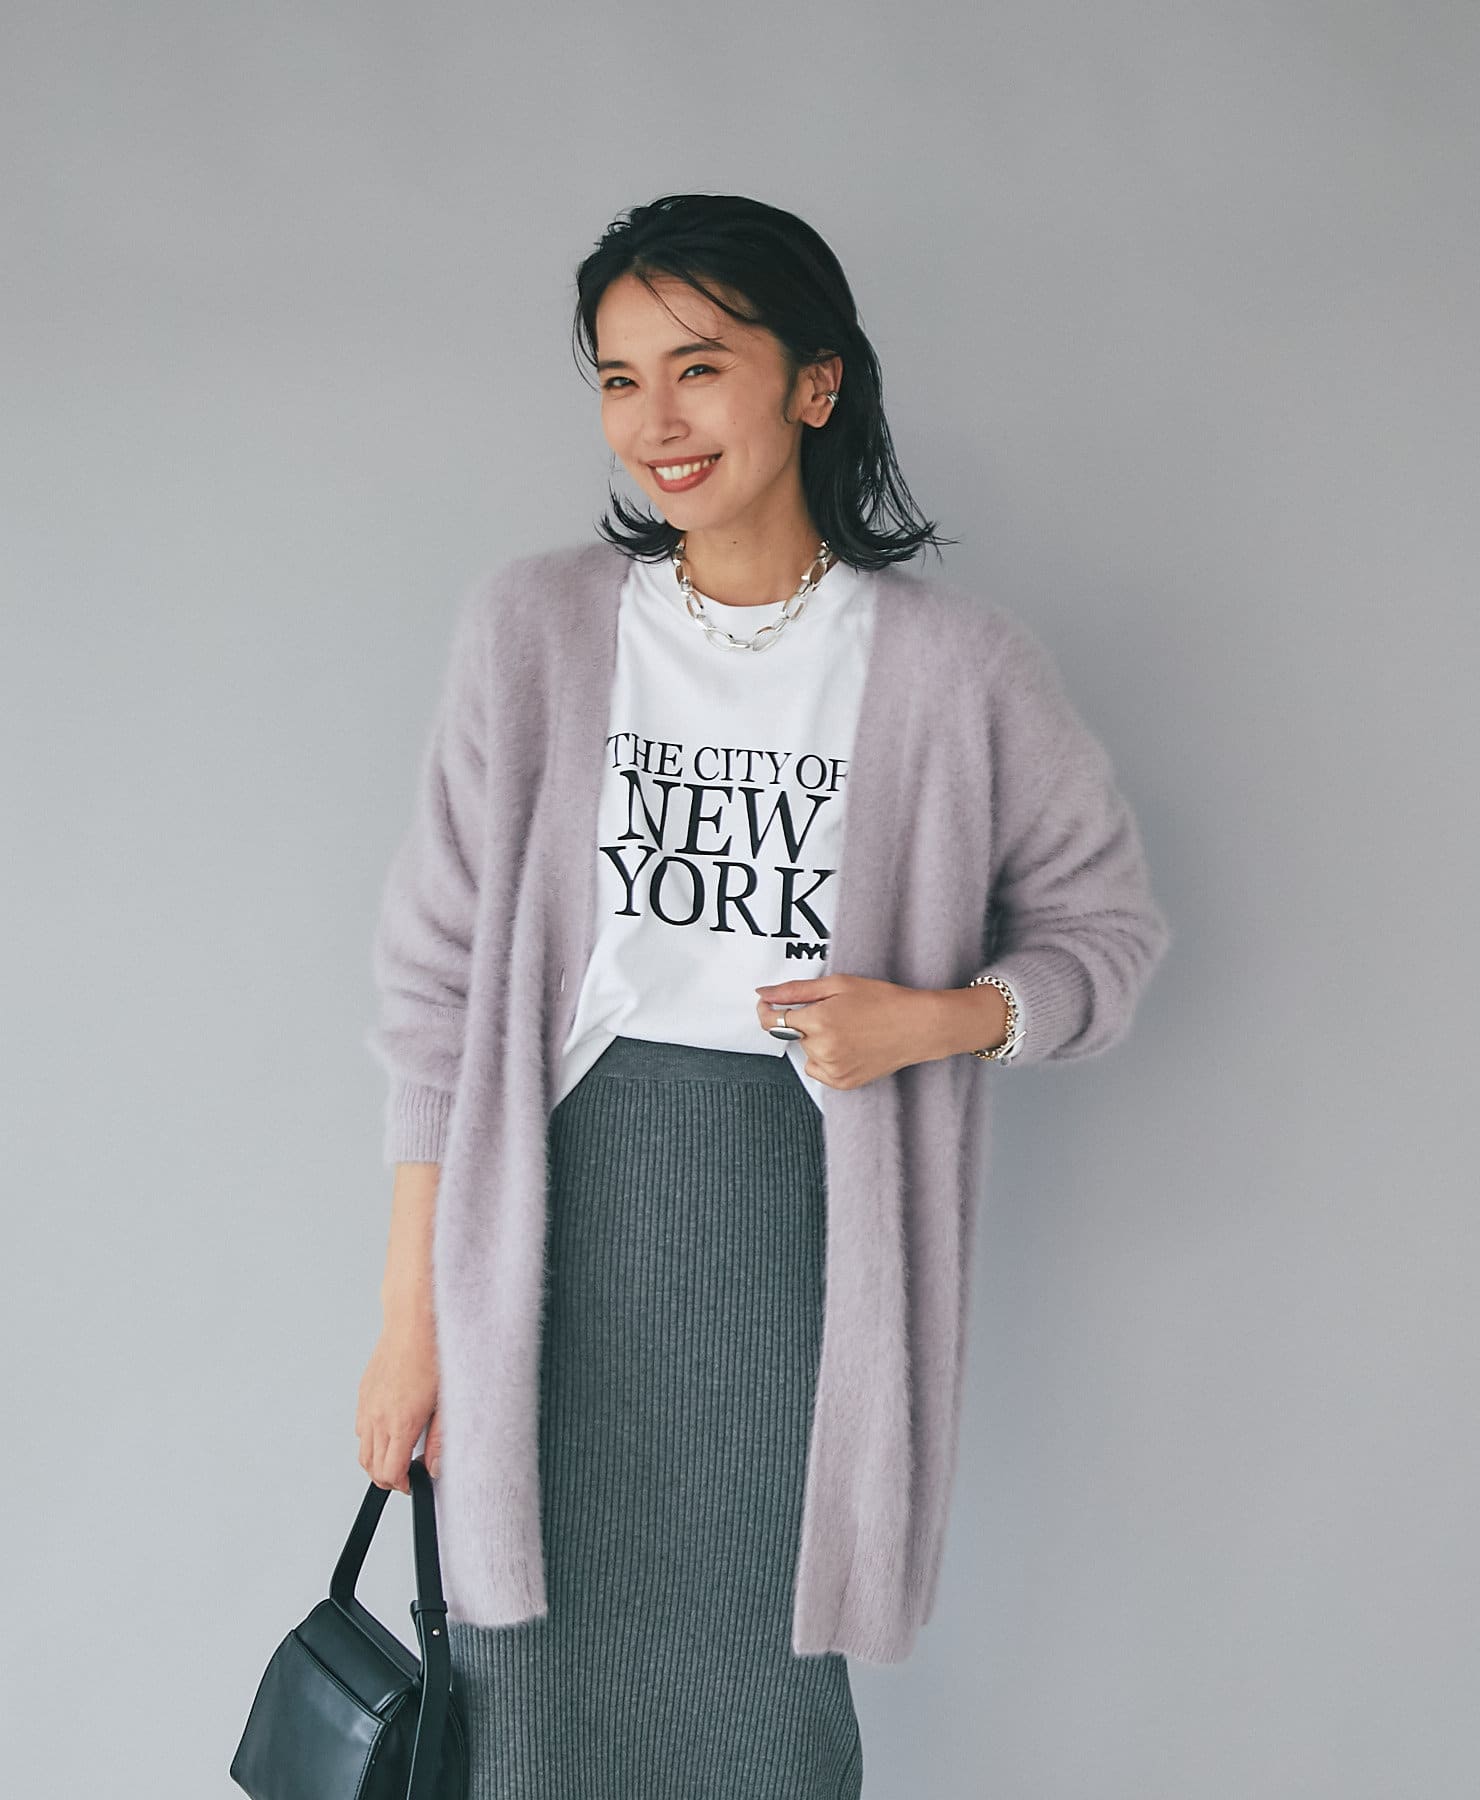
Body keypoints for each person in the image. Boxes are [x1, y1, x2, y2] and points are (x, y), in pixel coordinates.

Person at [355, 193, 1170, 1800]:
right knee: (528, 1695)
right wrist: (409, 1324)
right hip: (551, 1220)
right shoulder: (532, 631)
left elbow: (1106, 939)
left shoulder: (955, 669)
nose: (654, 421)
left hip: (805, 1230)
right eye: (618, 379)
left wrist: (932, 1020)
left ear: (814, 382)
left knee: (766, 1709)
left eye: (699, 368)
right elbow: (435, 994)